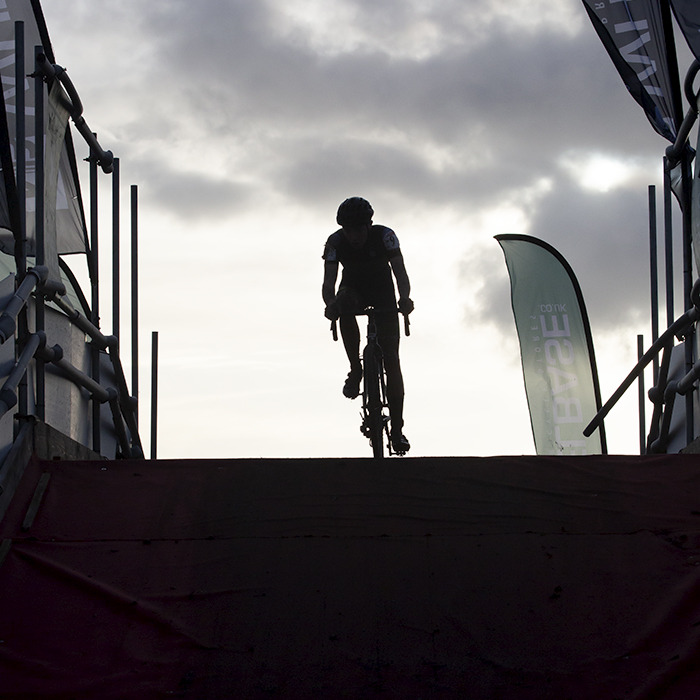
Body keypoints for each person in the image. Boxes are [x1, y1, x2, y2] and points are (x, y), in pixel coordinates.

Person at [322, 196, 414, 453]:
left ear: (369, 225)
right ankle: (356, 368)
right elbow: (328, 284)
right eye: (347, 230)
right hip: (353, 289)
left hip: (383, 291)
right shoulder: (335, 242)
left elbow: (400, 273)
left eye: (358, 229)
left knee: (392, 361)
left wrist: (404, 298)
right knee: (344, 304)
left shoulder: (385, 237)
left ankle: (397, 430)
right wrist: (330, 304)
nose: (353, 236)